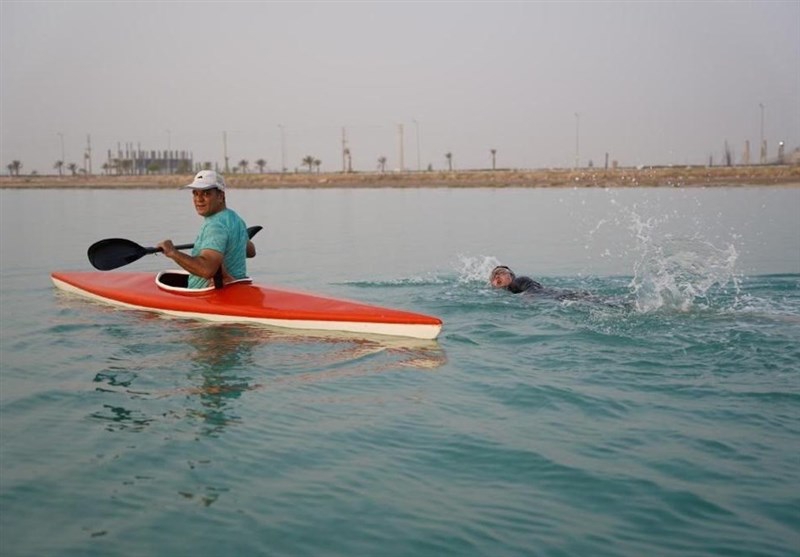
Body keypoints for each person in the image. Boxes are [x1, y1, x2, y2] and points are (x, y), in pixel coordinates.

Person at [157, 170, 255, 289]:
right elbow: (250, 251)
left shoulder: (215, 226)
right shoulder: (235, 219)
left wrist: (172, 252)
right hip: (237, 286)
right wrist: (231, 242)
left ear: (220, 196)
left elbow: (207, 270)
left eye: (206, 194)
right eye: (195, 193)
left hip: (209, 295)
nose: (199, 199)